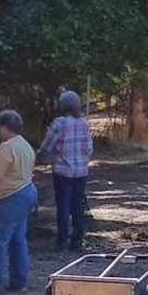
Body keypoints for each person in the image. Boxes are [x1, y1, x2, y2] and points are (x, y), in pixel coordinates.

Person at [0, 110, 37, 295]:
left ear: (4, 127)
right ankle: (19, 280)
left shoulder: (6, 148)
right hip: (27, 192)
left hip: (8, 196)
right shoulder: (25, 145)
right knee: (18, 239)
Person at [39, 90, 93, 251]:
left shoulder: (60, 123)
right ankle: (77, 240)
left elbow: (47, 145)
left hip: (63, 170)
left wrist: (42, 155)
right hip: (81, 171)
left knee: (63, 205)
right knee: (78, 205)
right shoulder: (84, 123)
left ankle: (62, 240)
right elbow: (89, 148)